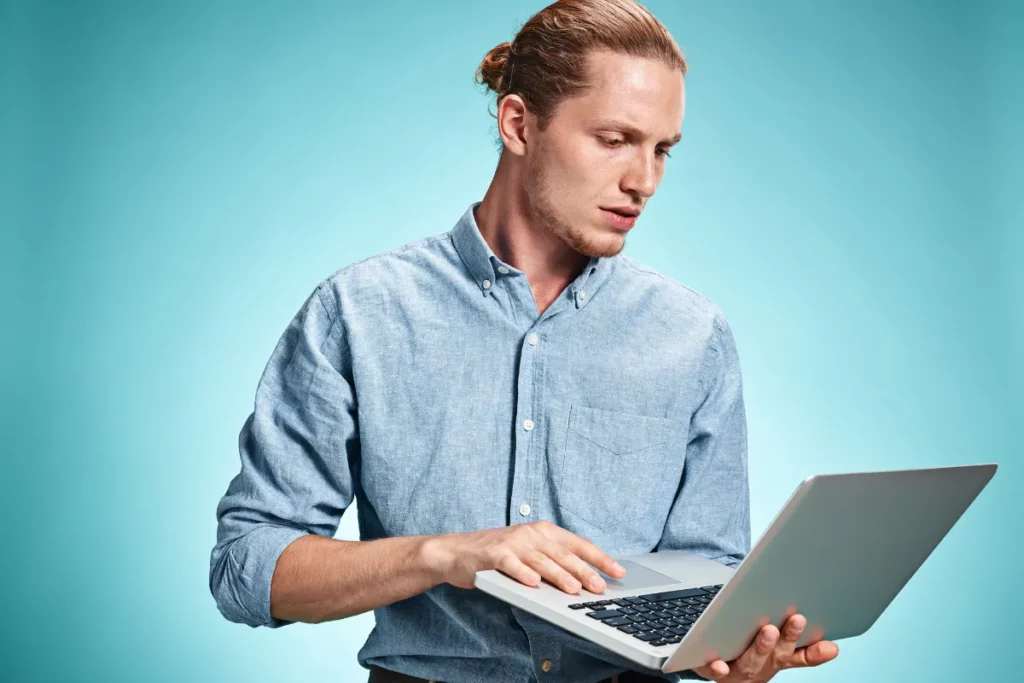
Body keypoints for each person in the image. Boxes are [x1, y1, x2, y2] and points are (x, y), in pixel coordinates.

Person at [208, 1, 840, 681]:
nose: (644, 181)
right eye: (615, 139)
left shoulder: (693, 336)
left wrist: (734, 650)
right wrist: (445, 555)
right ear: (518, 125)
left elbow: (706, 576)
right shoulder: (360, 312)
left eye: (662, 149)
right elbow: (246, 566)